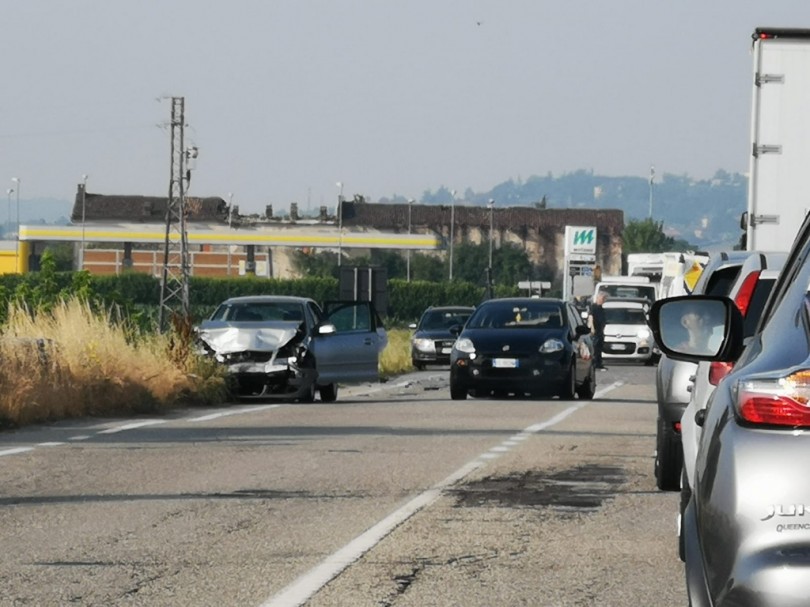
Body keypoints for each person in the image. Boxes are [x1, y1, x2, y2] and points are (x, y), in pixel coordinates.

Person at [589, 289, 608, 370]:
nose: (603, 300)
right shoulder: (593, 307)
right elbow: (590, 318)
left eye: (604, 299)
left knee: (599, 348)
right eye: (603, 298)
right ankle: (594, 364)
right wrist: (592, 328)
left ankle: (599, 363)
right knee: (595, 348)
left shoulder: (601, 308)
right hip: (595, 331)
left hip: (600, 331)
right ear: (598, 298)